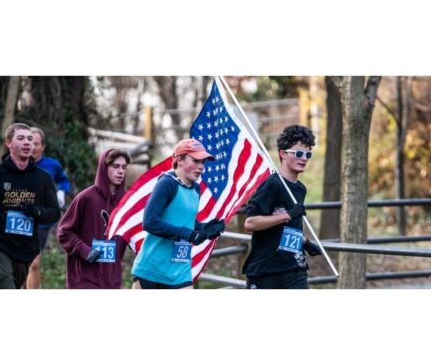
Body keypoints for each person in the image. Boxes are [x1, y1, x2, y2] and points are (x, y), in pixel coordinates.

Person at [0, 122, 61, 289]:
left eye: (29, 139)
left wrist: (37, 212)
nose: (27, 143)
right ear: (9, 143)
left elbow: (55, 213)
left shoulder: (43, 178)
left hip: (25, 250)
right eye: (21, 138)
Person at [131, 139, 226, 289]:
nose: (201, 167)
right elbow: (150, 222)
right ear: (179, 160)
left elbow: (185, 221)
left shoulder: (196, 189)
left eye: (203, 162)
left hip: (181, 270)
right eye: (196, 161)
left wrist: (205, 228)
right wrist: (188, 234)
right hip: (152, 269)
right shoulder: (166, 183)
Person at [243, 124, 323, 289]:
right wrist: (288, 215)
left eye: (308, 154)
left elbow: (286, 228)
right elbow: (250, 223)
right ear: (283, 154)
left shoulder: (300, 189)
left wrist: (304, 242)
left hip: (294, 268)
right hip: (266, 271)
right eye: (298, 153)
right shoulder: (272, 184)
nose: (304, 158)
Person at [57, 149, 132, 289]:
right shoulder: (85, 198)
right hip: (84, 278)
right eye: (115, 166)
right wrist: (85, 251)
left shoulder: (128, 202)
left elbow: (133, 234)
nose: (121, 171)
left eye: (124, 167)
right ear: (104, 167)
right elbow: (64, 232)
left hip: (111, 279)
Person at [26, 126, 71, 289]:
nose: (32, 147)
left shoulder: (52, 165)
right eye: (29, 142)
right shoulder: (17, 163)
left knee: (34, 263)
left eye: (36, 143)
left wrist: (61, 191)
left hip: (41, 221)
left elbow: (64, 181)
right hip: (20, 219)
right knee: (20, 262)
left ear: (43, 146)